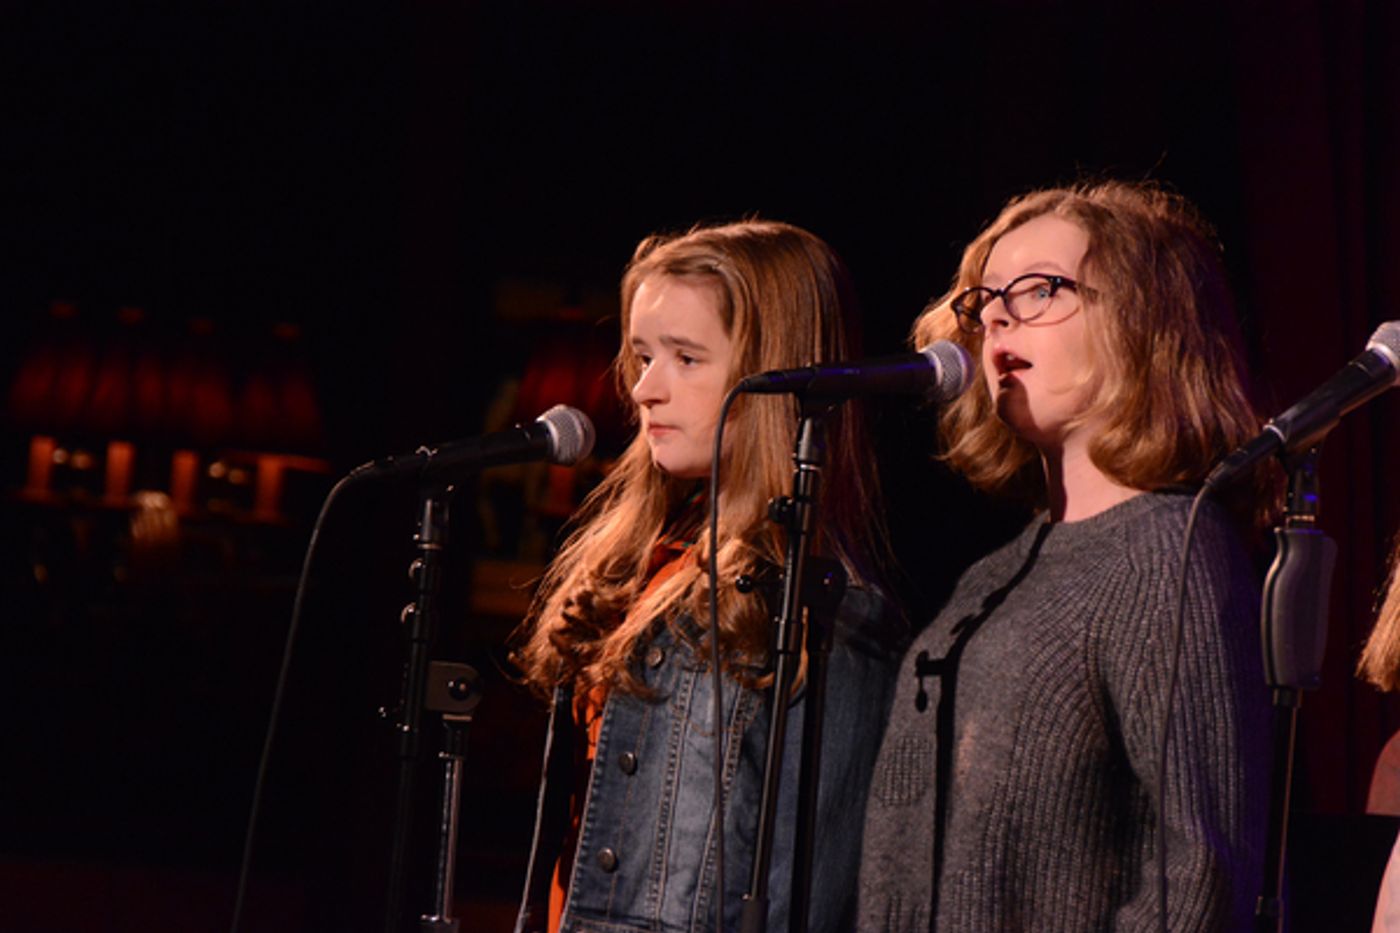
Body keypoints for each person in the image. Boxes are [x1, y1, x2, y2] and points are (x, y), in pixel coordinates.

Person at [858, 180, 1275, 931]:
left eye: (1040, 289)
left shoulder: (1167, 551)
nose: (996, 317)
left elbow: (1197, 876)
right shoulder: (994, 573)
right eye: (983, 301)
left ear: (1143, 319)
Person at [511, 219, 902, 933]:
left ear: (771, 372)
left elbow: (810, 892)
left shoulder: (821, 613)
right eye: (641, 356)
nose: (646, 389)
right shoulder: (642, 563)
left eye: (686, 358)